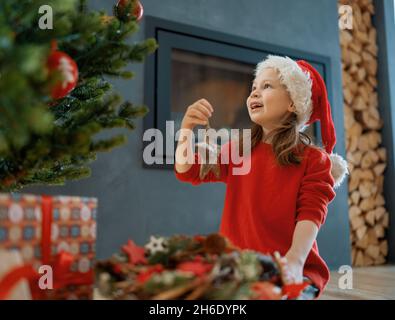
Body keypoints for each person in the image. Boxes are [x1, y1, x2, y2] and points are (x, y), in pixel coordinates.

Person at [174, 55, 348, 299]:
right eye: (253, 87)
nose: (254, 93)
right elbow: (188, 171)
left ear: (293, 103)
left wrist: (295, 260)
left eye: (266, 86)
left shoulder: (313, 160)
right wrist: (185, 130)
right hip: (240, 266)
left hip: (291, 268)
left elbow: (311, 213)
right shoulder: (237, 150)